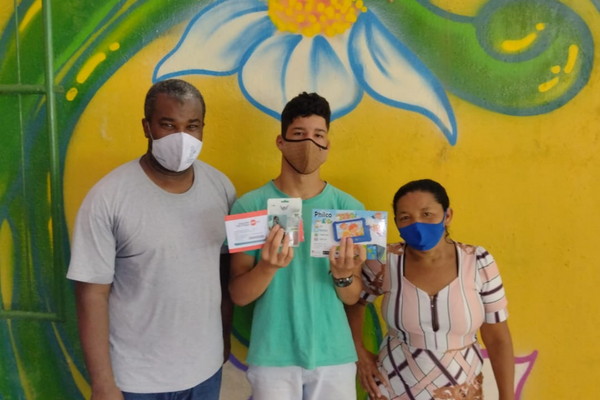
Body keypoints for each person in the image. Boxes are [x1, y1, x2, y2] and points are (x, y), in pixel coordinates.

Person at [67, 79, 236, 400]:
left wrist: (224, 339)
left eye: (192, 126)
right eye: (168, 125)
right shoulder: (109, 197)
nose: (182, 137)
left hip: (205, 372)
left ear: (203, 128)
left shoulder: (221, 188)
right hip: (136, 381)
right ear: (147, 127)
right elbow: (91, 295)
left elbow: (225, 272)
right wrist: (103, 383)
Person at [229, 92, 367, 400]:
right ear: (281, 141)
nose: (309, 143)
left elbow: (352, 296)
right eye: (299, 134)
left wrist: (343, 275)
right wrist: (267, 268)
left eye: (318, 135)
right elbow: (239, 295)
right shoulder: (249, 206)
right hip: (272, 356)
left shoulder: (348, 209)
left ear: (327, 144)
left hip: (334, 355)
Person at [347, 179, 515, 400]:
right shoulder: (385, 261)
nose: (417, 224)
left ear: (447, 216)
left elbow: (498, 339)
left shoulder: (478, 261)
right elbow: (354, 302)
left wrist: (507, 396)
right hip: (393, 388)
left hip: (462, 390)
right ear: (396, 223)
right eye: (405, 217)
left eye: (427, 214)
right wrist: (358, 351)